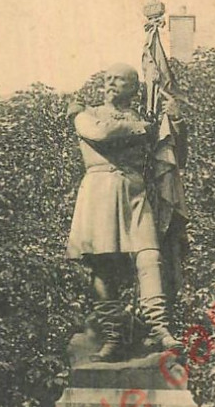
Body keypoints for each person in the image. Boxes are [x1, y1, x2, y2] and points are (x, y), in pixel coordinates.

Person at [66, 63, 183, 361]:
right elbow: (100, 134)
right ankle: (113, 335)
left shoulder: (143, 120)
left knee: (149, 256)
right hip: (101, 190)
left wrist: (173, 119)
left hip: (134, 191)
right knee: (104, 264)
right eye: (107, 78)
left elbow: (171, 156)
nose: (110, 83)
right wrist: (141, 127)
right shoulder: (86, 114)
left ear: (134, 87)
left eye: (119, 79)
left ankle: (159, 327)